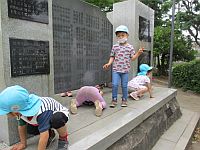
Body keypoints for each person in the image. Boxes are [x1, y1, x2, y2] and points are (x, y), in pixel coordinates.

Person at [0, 85, 69, 150]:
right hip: (44, 117)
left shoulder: (41, 111)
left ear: (15, 111)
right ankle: (51, 133)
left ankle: (63, 139)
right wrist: (23, 143)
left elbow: (44, 135)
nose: (5, 114)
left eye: (6, 111)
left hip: (57, 113)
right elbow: (21, 126)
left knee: (57, 119)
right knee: (30, 129)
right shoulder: (21, 109)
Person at [103, 25, 143, 107]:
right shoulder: (115, 46)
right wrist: (109, 63)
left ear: (127, 35)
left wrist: (138, 53)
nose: (121, 37)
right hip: (116, 70)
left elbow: (132, 58)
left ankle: (124, 100)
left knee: (124, 86)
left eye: (122, 35)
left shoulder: (130, 47)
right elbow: (112, 56)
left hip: (125, 70)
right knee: (114, 84)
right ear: (116, 37)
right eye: (119, 36)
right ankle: (114, 99)